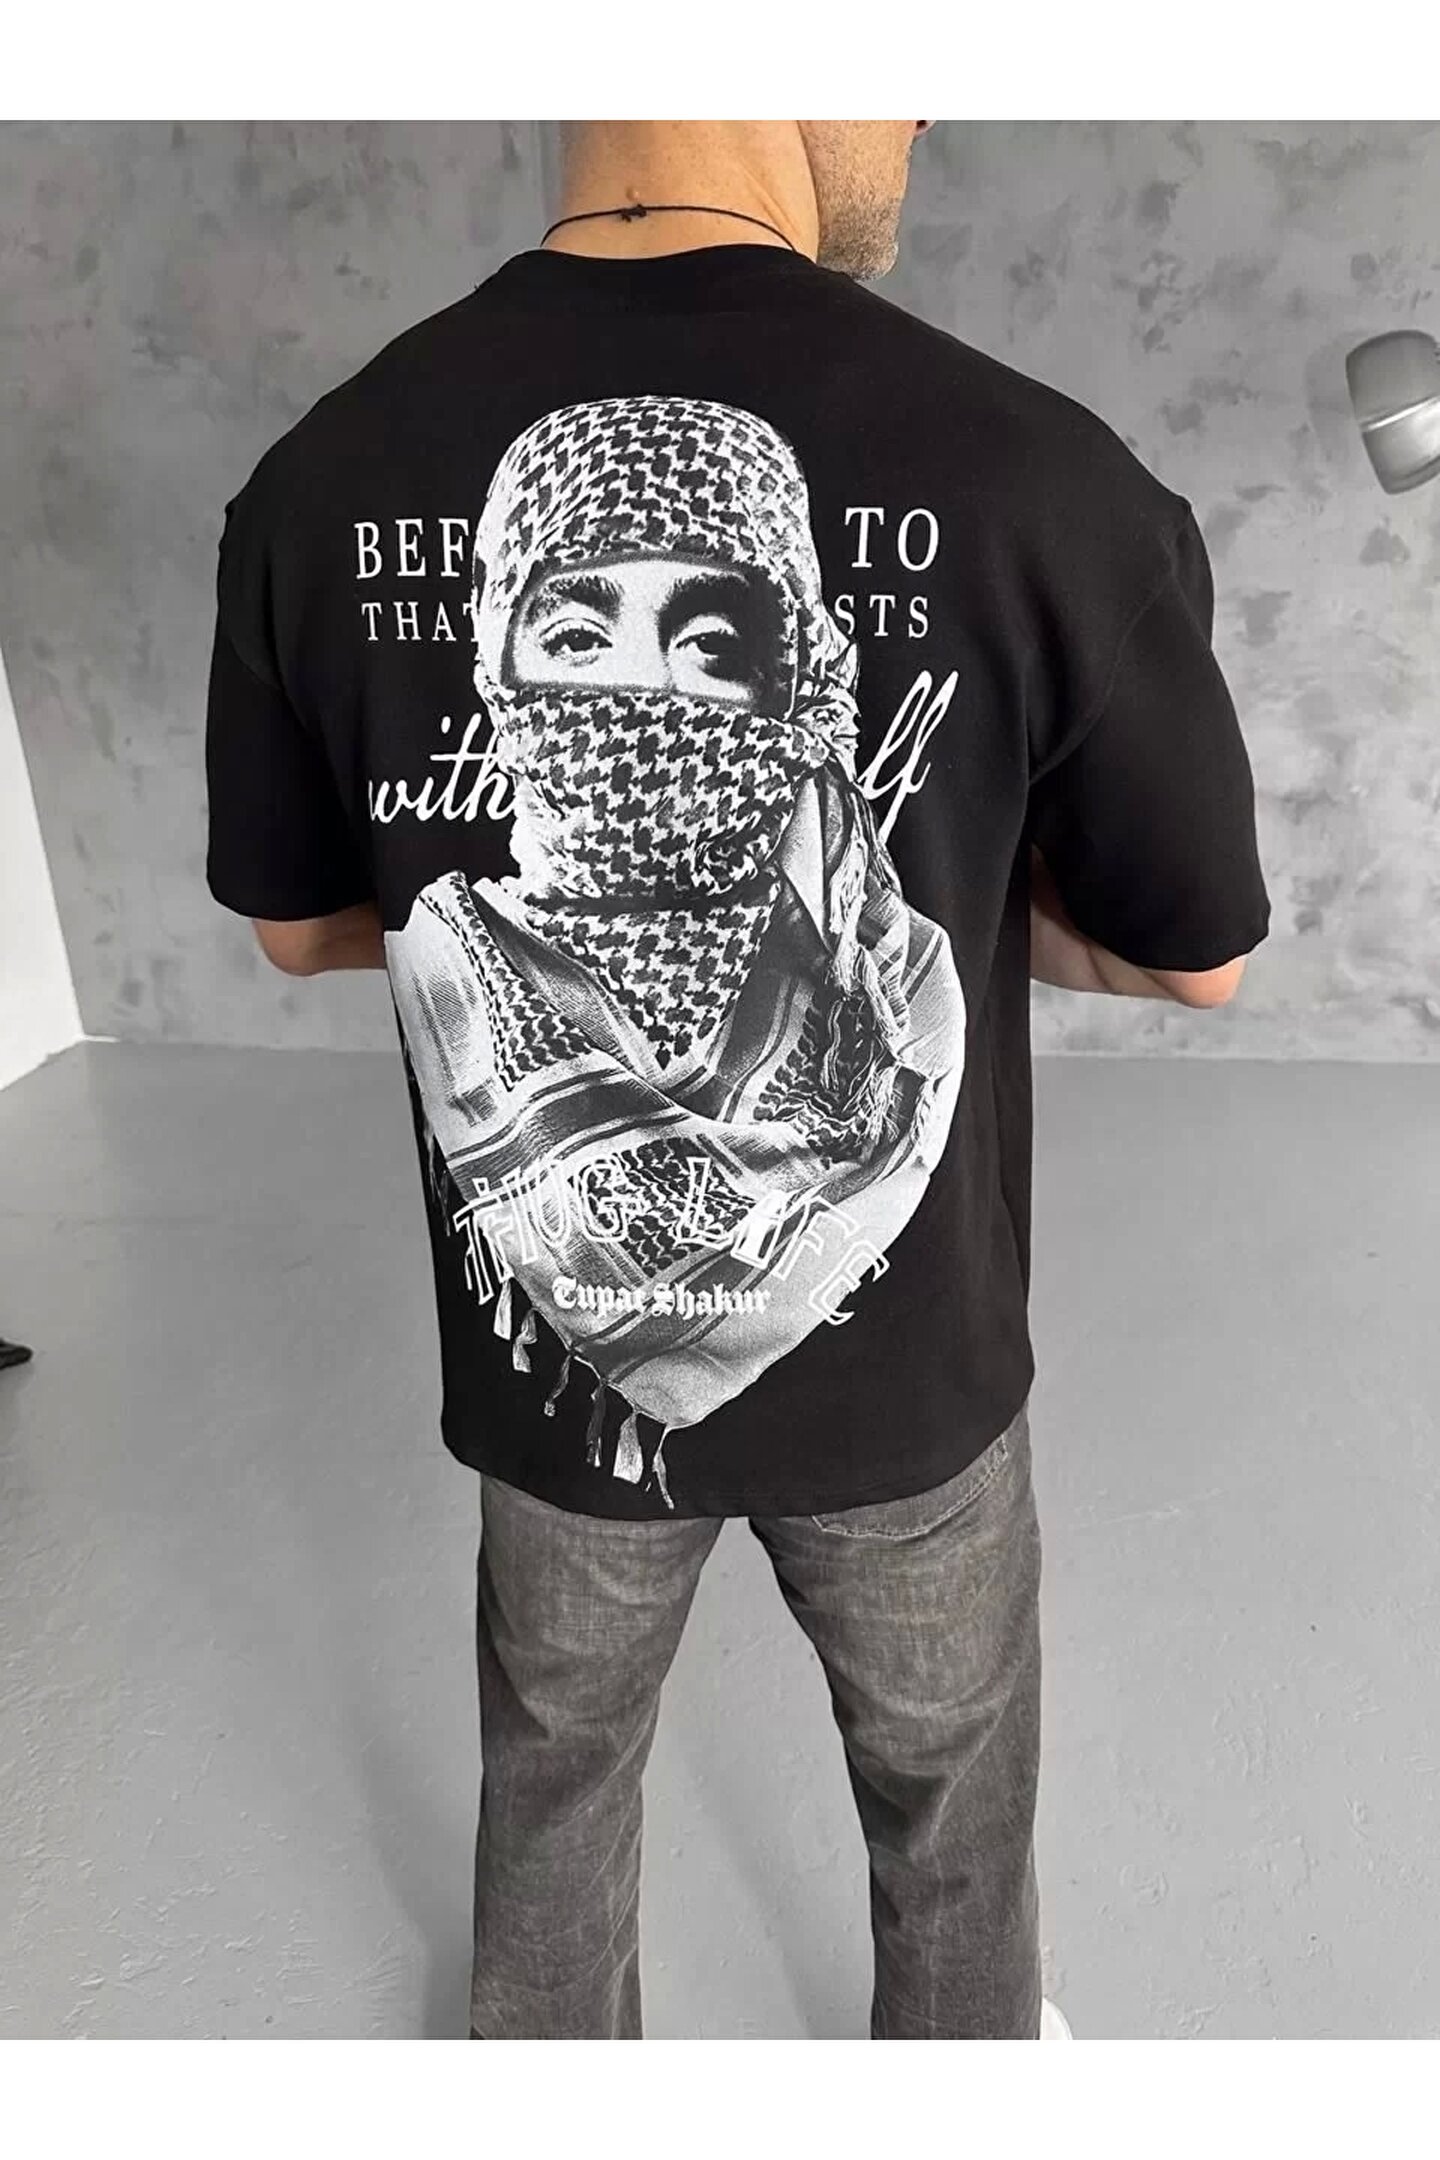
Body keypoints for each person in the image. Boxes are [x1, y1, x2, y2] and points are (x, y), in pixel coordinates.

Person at [204, 120, 1271, 2041]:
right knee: (950, 1803)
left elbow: (296, 929)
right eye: (579, 631)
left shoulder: (318, 475)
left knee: (556, 1779)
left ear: (796, 675)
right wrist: (962, 885)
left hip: (549, 1406)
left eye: (712, 637)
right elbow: (1192, 953)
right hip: (917, 1390)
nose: (646, 694)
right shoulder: (1045, 475)